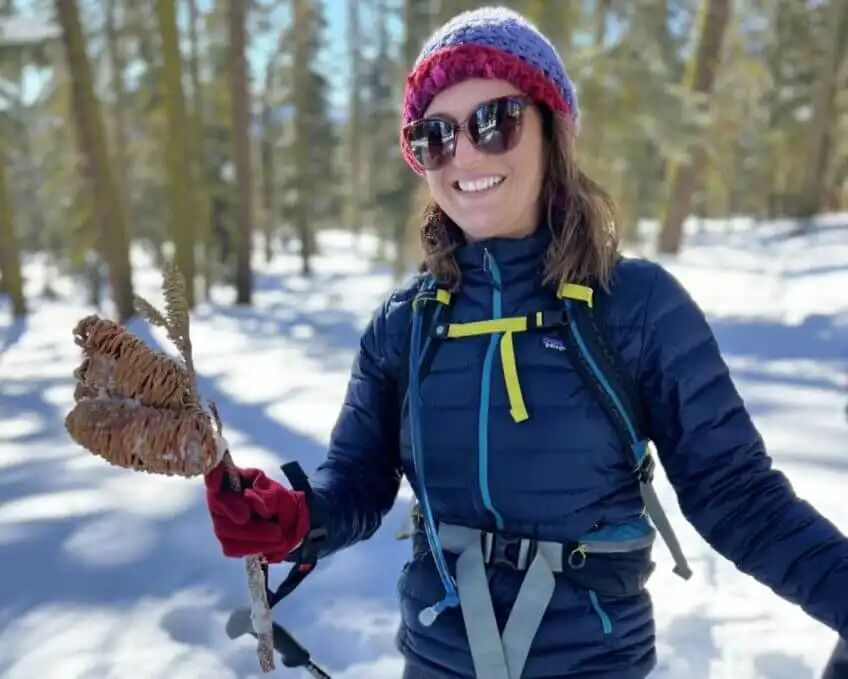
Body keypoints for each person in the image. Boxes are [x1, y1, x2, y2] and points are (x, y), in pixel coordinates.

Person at [204, 7, 848, 679]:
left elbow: (739, 495)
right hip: (436, 662)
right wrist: (295, 514)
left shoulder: (637, 308)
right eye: (436, 136)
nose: (466, 154)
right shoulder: (404, 324)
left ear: (550, 128)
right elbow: (360, 477)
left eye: (494, 121)